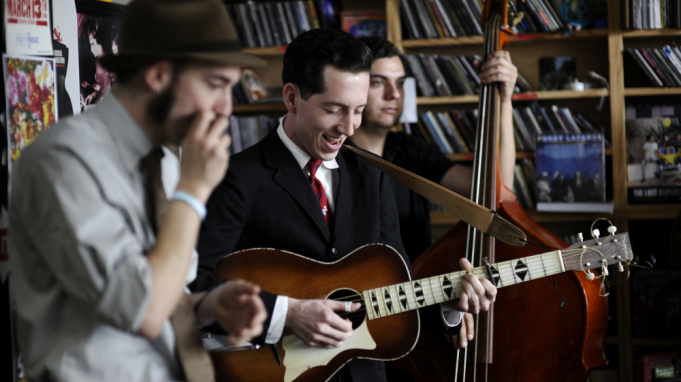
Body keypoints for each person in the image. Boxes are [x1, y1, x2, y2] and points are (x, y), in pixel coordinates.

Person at [192, 28, 497, 382]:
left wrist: (447, 303)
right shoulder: (235, 178)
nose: (349, 128)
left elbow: (395, 290)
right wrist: (286, 314)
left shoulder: (375, 175)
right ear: (292, 98)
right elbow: (192, 291)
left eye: (359, 110)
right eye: (334, 109)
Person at [9, 0, 268, 381]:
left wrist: (207, 305)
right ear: (159, 76)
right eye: (215, 85)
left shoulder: (164, 163)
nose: (226, 108)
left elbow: (163, 294)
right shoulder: (65, 161)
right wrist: (193, 192)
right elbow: (143, 310)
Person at [346, 37, 516, 350]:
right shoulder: (333, 156)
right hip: (353, 314)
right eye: (378, 82)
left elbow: (496, 194)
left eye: (399, 83)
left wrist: (504, 102)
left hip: (418, 312)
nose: (393, 94)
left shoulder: (413, 151)